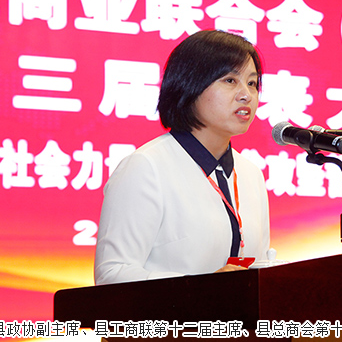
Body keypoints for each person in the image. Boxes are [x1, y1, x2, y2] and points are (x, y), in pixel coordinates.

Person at [94, 30, 270, 285]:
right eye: (230, 80)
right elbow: (112, 274)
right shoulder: (146, 167)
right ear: (190, 85)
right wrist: (203, 288)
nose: (246, 94)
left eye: (252, 83)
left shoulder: (251, 174)